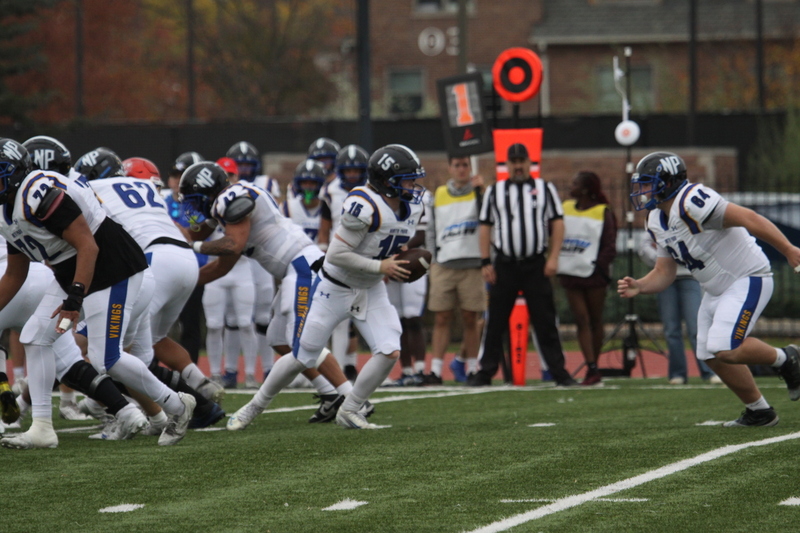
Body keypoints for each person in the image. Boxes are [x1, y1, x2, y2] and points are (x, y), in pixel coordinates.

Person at [0, 139, 194, 448]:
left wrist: (74, 300)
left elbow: (88, 244)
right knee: (35, 335)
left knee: (108, 359)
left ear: (14, 172)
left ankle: (176, 406)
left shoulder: (37, 193)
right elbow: (15, 272)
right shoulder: (7, 210)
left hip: (109, 263)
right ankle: (42, 428)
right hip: (72, 268)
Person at [619, 151, 800, 426]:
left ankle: (787, 358)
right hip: (714, 289)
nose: (642, 190)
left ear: (667, 182)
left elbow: (748, 217)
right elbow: (664, 272)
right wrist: (640, 286)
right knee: (707, 354)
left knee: (725, 347)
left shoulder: (692, 201)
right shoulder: (655, 219)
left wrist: (787, 248)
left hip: (746, 277)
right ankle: (760, 411)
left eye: (648, 182)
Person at [178, 161, 354, 428]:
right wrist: (186, 281)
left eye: (193, 199)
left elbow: (232, 245)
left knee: (304, 342)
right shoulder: (229, 201)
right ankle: (330, 394)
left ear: (206, 191)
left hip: (301, 265)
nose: (192, 206)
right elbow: (222, 265)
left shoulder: (230, 198)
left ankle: (352, 399)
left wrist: (194, 246)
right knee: (278, 338)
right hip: (293, 271)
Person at [285, 143, 426, 428]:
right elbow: (336, 253)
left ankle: (349, 408)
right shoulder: (360, 201)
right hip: (336, 280)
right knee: (304, 352)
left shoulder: (412, 206)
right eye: (407, 179)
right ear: (387, 182)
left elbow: (391, 241)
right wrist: (381, 265)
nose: (413, 185)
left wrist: (391, 260)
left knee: (389, 349)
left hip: (371, 284)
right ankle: (255, 405)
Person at [469, 143, 576, 387]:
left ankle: (559, 372)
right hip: (505, 264)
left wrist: (553, 257)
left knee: (545, 321)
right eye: (513, 162)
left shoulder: (544, 188)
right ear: (507, 165)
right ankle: (485, 372)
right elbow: (485, 226)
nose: (518, 166)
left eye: (521, 161)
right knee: (495, 321)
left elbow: (557, 222)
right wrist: (485, 261)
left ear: (529, 163)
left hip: (535, 265)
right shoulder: (495, 191)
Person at [423, 155, 485, 384]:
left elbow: (490, 219)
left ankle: (471, 368)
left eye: (465, 165)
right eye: (457, 165)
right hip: (444, 264)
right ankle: (436, 370)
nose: (461, 169)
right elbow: (431, 229)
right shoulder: (439, 195)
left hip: (472, 263)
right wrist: (433, 260)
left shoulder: (479, 192)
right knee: (441, 317)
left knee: (471, 318)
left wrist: (483, 192)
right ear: (449, 167)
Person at [226, 141, 281, 379]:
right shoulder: (225, 186)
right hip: (239, 257)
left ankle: (268, 368)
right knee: (232, 318)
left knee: (262, 316)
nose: (245, 171)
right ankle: (230, 369)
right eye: (241, 166)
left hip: (261, 255)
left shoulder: (267, 183)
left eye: (248, 166)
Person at [557, 171, 617, 386]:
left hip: (593, 275)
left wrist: (597, 267)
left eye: (574, 183)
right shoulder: (564, 208)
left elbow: (610, 245)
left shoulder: (603, 212)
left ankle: (595, 364)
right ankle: (591, 366)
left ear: (584, 189)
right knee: (581, 319)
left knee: (595, 320)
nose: (570, 187)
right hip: (570, 273)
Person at [318, 144, 370, 380]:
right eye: (347, 171)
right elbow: (324, 227)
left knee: (363, 315)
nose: (351, 175)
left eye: (355, 170)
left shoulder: (371, 190)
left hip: (366, 258)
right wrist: (322, 253)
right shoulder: (329, 191)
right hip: (338, 258)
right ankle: (337, 370)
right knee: (336, 319)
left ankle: (352, 365)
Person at [639, 239, 721, 385]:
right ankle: (677, 374)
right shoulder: (655, 220)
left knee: (696, 328)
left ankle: (709, 371)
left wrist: (681, 257)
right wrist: (662, 260)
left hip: (690, 277)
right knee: (671, 330)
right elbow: (644, 245)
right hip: (663, 278)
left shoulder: (686, 218)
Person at [163, 152, 207, 364]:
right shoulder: (160, 200)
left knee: (190, 324)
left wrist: (173, 227)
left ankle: (192, 373)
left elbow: (193, 232)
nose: (177, 181)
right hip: (163, 270)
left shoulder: (197, 204)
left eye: (183, 176)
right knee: (154, 325)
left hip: (193, 269)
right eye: (175, 175)